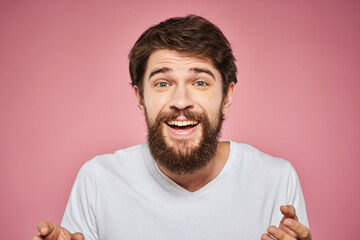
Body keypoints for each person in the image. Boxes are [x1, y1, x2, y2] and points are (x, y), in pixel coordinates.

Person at [33, 15, 312, 240]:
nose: (181, 102)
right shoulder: (97, 180)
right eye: (163, 83)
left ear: (226, 96)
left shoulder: (276, 178)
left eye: (200, 82)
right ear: (140, 98)